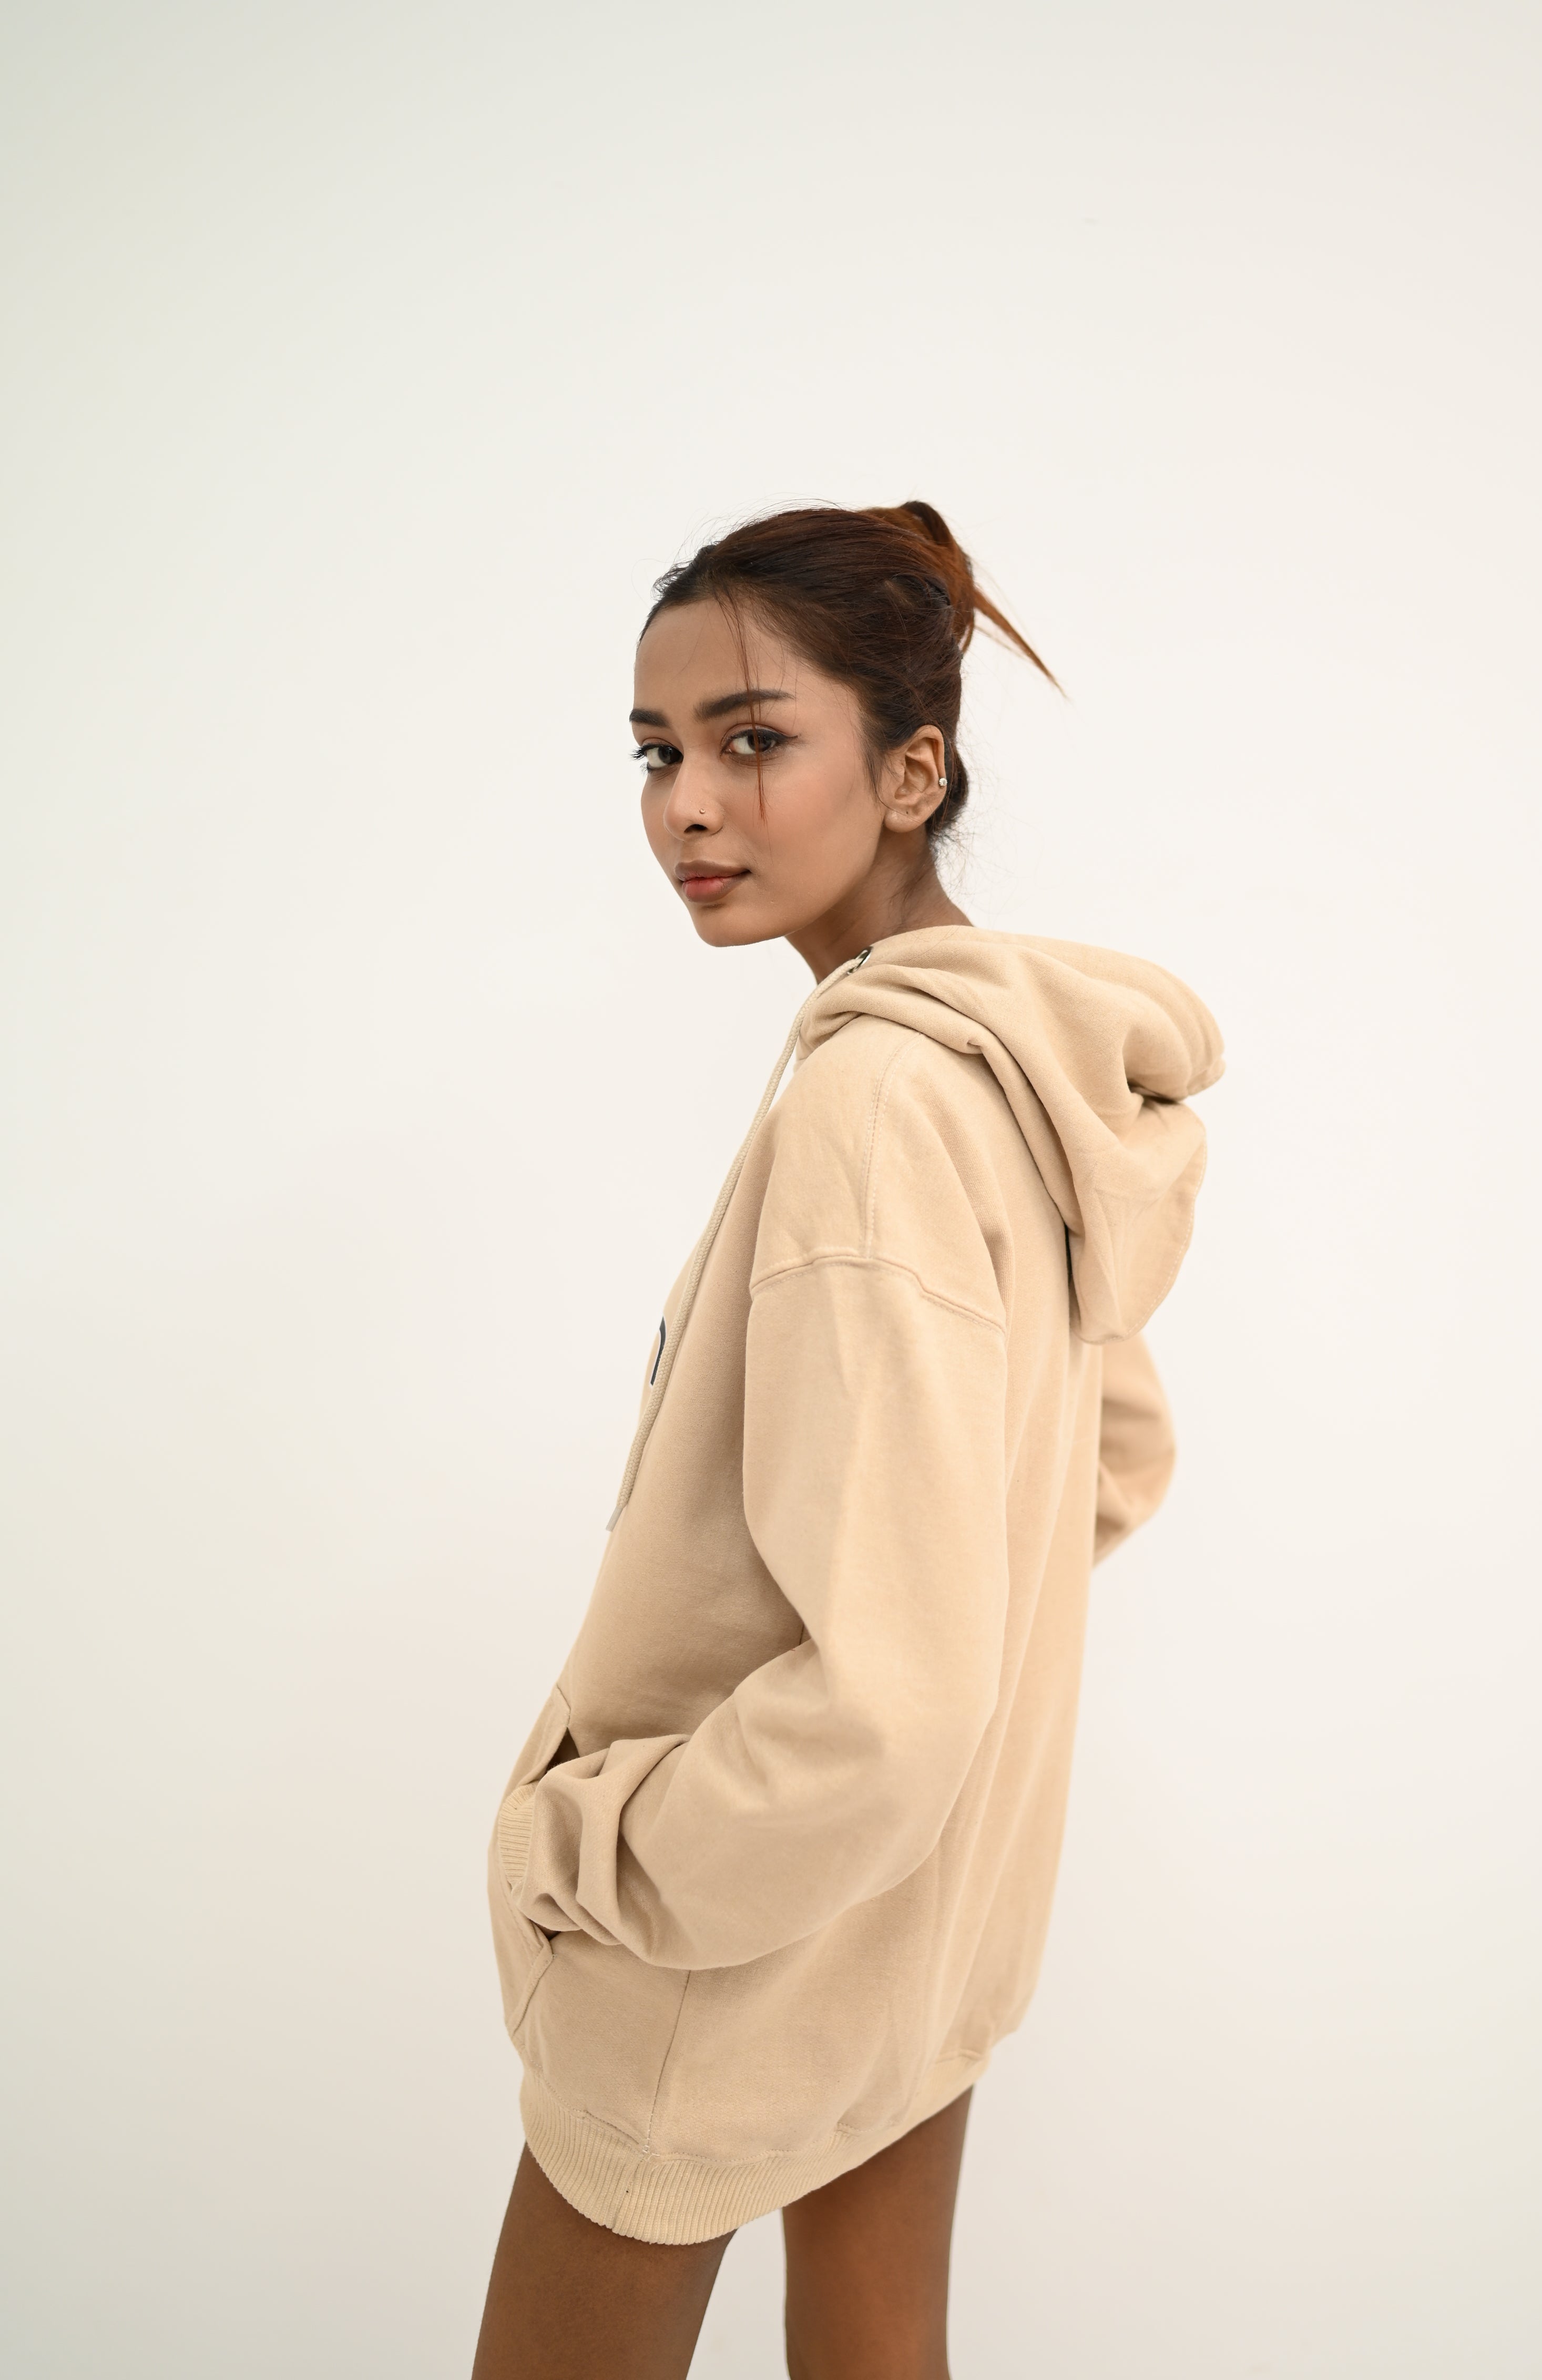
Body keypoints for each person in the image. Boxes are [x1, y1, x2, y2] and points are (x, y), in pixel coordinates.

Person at [473, 502, 1223, 2379]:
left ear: (911, 773)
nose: (688, 808)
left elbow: (890, 1704)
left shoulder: (879, 1103)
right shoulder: (1019, 1087)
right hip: (918, 1927)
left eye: (752, 741)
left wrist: (597, 1852)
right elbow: (1115, 1451)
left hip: (727, 1960)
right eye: (656, 754)